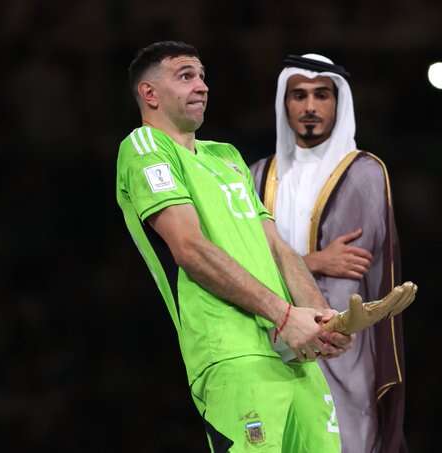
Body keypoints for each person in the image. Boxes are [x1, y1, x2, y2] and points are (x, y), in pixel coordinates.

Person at [115, 41, 352, 452]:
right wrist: (284, 315)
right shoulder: (144, 148)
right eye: (186, 76)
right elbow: (189, 248)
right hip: (231, 354)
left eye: (202, 76)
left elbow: (277, 247)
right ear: (149, 94)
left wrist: (319, 318)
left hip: (290, 351)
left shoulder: (226, 157)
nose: (202, 86)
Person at [250, 54, 408, 453]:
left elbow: (348, 273)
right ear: (284, 103)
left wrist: (288, 269)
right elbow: (240, 265)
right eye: (298, 95)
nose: (309, 107)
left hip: (342, 347)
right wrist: (316, 260)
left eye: (321, 95)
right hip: (269, 340)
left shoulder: (364, 173)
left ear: (339, 102)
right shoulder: (256, 176)